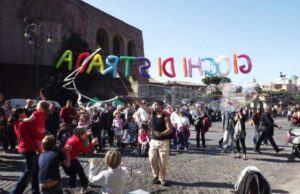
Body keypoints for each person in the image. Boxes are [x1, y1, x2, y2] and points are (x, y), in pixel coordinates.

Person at [9, 108, 42, 194]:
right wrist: (44, 135)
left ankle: (35, 191)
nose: (25, 113)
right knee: (29, 172)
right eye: (24, 112)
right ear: (20, 114)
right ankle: (15, 191)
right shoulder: (24, 124)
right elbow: (35, 134)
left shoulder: (16, 123)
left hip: (24, 148)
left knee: (34, 170)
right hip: (28, 149)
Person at [64, 127, 98, 193]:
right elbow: (85, 150)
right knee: (81, 172)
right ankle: (85, 187)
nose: (86, 134)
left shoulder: (75, 137)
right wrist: (93, 144)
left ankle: (71, 188)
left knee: (72, 173)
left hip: (68, 157)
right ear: (80, 134)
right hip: (70, 158)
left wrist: (86, 135)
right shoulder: (76, 141)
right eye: (84, 133)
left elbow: (82, 141)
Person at [149, 99, 172, 186]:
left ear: (161, 106)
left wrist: (161, 134)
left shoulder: (165, 116)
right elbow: (144, 108)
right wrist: (138, 101)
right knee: (152, 159)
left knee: (163, 161)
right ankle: (155, 175)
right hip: (153, 141)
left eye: (156, 105)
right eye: (154, 105)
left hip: (164, 142)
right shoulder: (152, 113)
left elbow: (170, 129)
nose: (155, 106)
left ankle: (162, 178)